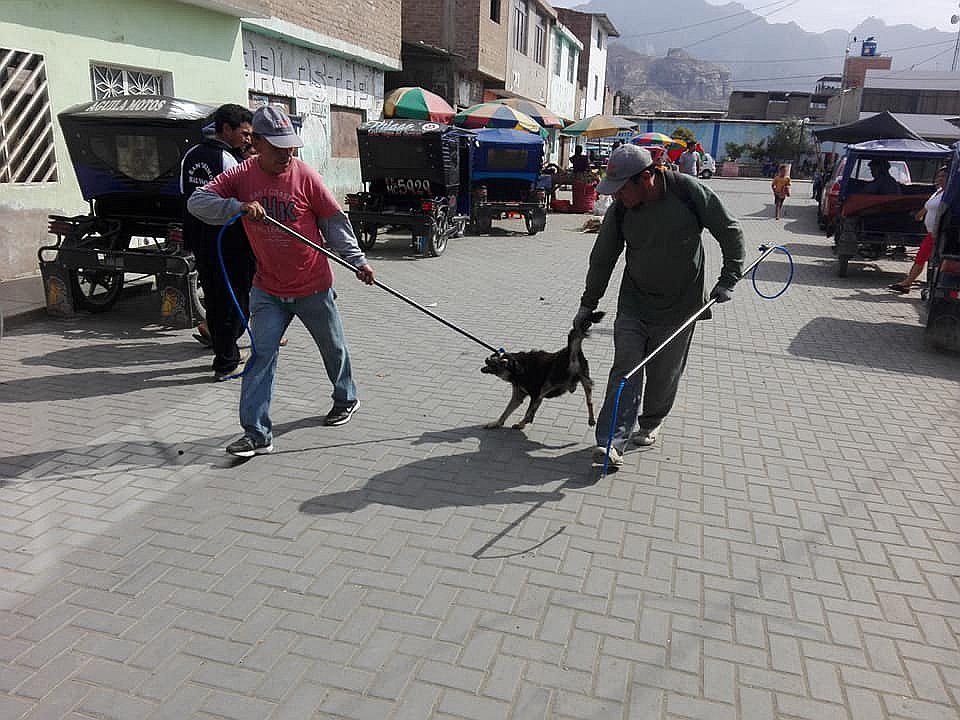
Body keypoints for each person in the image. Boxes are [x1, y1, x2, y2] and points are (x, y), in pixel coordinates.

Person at [188, 106, 376, 457]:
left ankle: (346, 397)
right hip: (268, 289)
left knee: (333, 348)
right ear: (256, 143)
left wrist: (357, 261)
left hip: (313, 285)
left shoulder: (305, 176)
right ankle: (257, 434)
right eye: (278, 148)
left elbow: (335, 222)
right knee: (261, 356)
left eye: (291, 148)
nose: (287, 155)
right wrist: (238, 207)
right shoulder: (242, 175)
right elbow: (199, 202)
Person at [572, 145, 744, 467]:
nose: (618, 196)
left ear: (647, 178)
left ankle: (651, 421)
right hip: (635, 302)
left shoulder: (688, 192)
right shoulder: (621, 209)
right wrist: (587, 304)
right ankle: (612, 441)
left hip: (681, 305)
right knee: (626, 368)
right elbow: (603, 258)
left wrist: (729, 277)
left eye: (622, 189)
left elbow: (729, 230)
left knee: (664, 373)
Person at [180, 104, 256, 380]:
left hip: (200, 237)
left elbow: (184, 195)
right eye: (244, 133)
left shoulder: (191, 154)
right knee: (233, 299)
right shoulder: (228, 161)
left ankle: (224, 344)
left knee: (215, 297)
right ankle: (226, 361)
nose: (247, 139)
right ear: (226, 129)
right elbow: (241, 201)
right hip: (227, 240)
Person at [889, 165, 947, 294]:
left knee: (928, 259)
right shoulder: (938, 192)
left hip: (940, 234)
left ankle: (908, 283)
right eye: (939, 176)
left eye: (943, 176)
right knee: (921, 257)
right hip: (931, 233)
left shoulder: (949, 194)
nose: (940, 179)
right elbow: (928, 206)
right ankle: (907, 283)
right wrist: (919, 215)